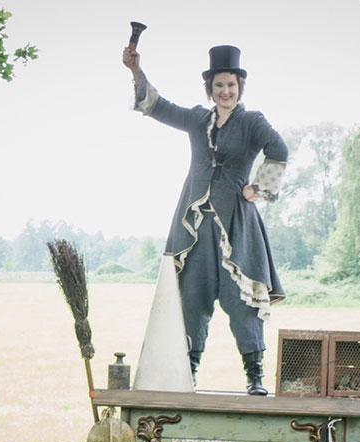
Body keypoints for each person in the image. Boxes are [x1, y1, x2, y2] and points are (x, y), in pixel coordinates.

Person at [122, 43, 287, 395]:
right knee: (192, 300)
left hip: (236, 227)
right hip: (194, 228)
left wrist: (256, 187)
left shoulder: (252, 122)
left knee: (241, 301)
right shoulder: (198, 120)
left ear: (240, 86)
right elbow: (156, 106)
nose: (225, 92)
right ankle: (188, 374)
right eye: (218, 87)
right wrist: (136, 70)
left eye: (231, 85)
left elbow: (279, 148)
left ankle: (254, 377)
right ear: (210, 90)